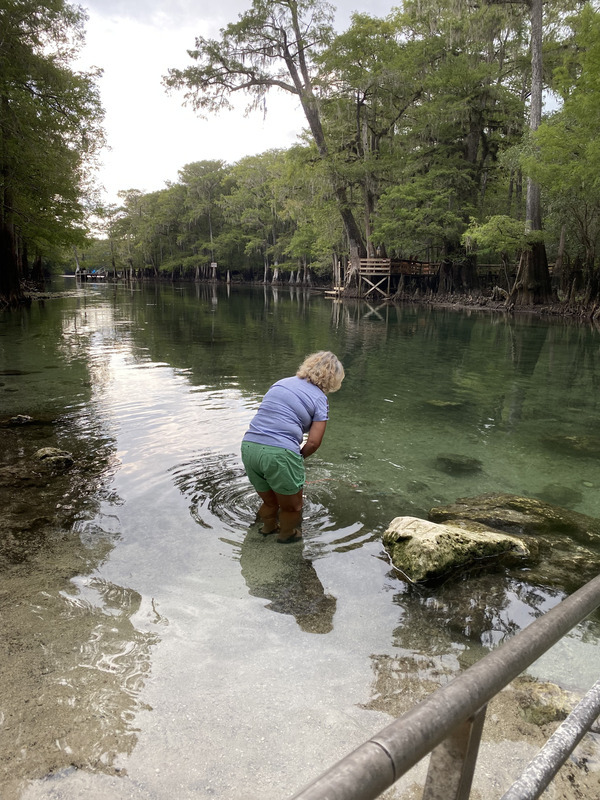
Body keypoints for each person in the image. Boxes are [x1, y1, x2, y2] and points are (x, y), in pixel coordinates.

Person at [241, 351, 344, 544]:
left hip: (249, 447)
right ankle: (286, 535)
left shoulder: (281, 383)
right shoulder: (320, 399)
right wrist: (298, 458)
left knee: (270, 501)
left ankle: (267, 528)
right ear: (334, 379)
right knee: (292, 507)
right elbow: (313, 442)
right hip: (279, 453)